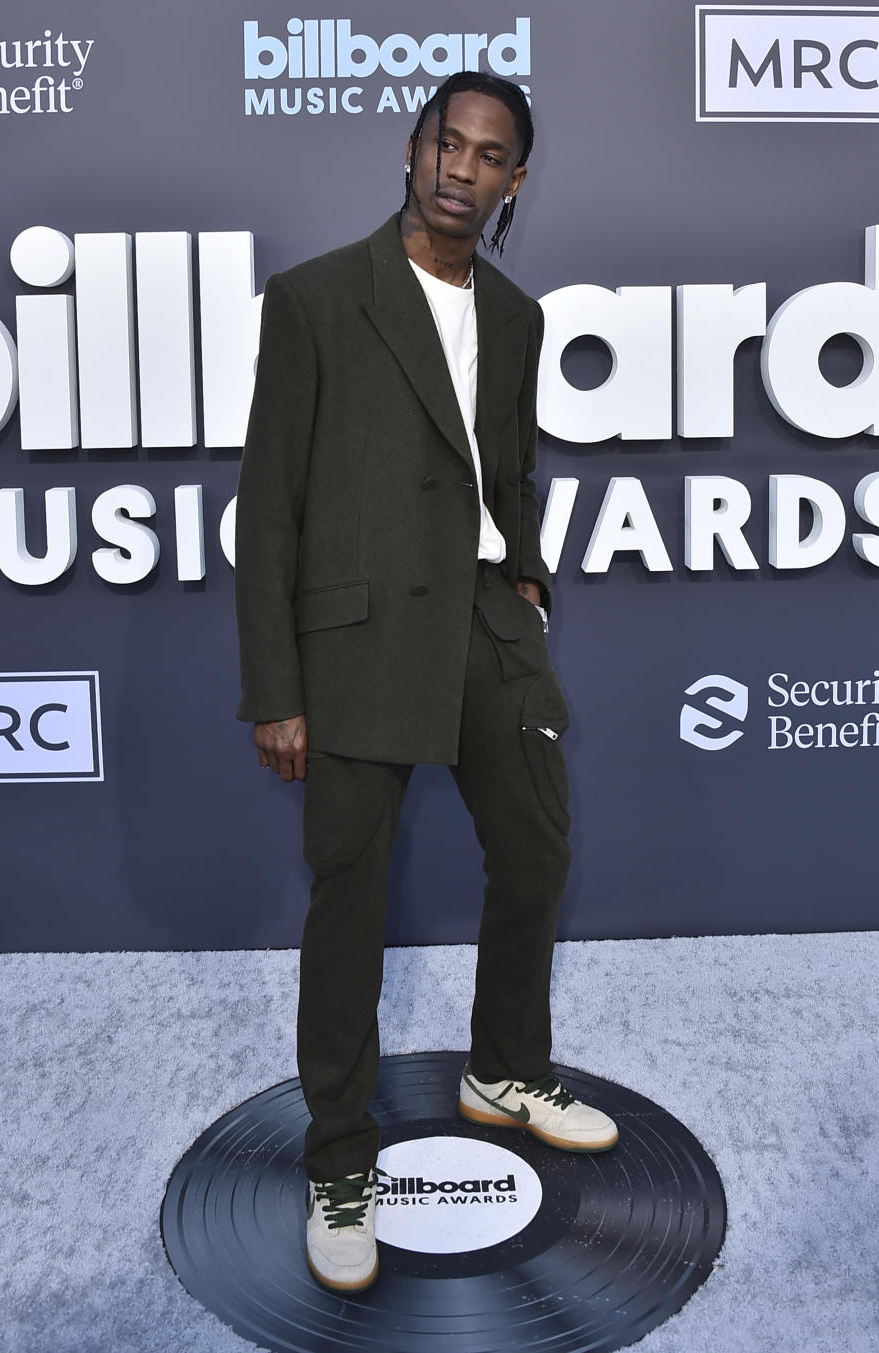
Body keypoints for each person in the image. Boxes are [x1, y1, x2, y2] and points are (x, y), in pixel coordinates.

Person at [234, 70, 618, 1295]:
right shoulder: (316, 300)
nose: (462, 167)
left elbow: (507, 467)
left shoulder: (515, 315)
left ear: (513, 181)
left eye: (490, 154)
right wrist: (274, 687)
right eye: (446, 143)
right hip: (352, 643)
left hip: (483, 625)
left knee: (540, 849)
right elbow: (270, 508)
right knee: (350, 898)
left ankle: (503, 1067)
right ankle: (342, 1158)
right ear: (413, 152)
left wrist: (529, 582)